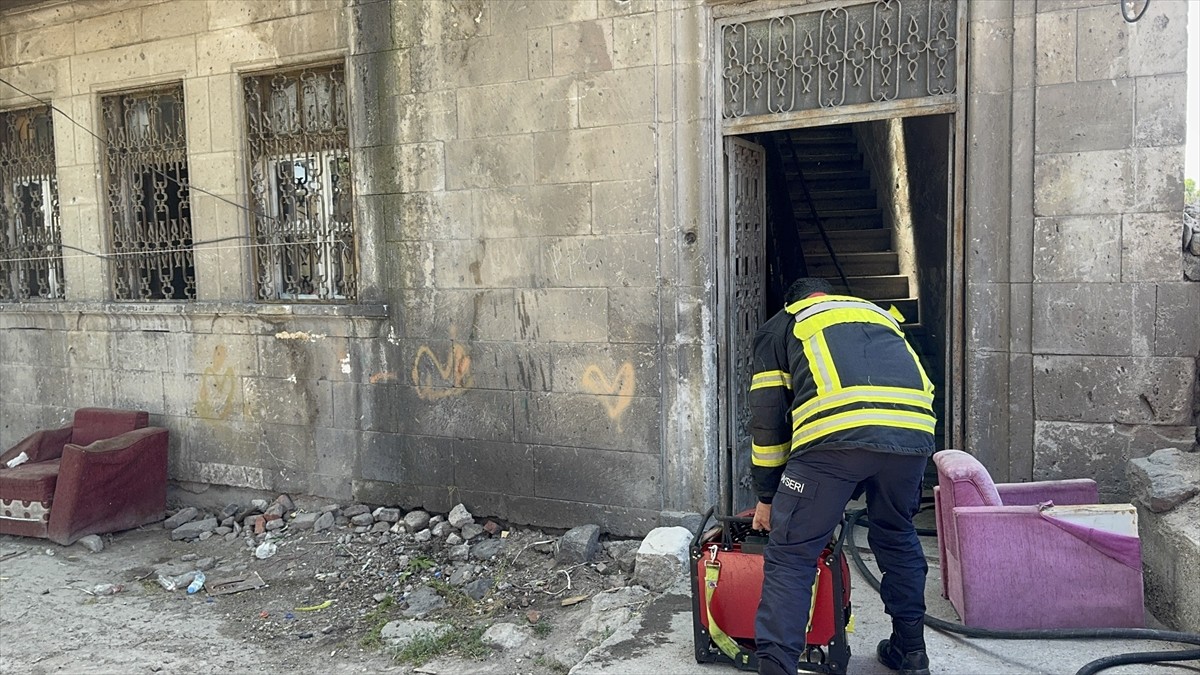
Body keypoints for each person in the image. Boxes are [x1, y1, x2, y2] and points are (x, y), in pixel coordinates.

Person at [748, 277, 936, 675]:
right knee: (898, 535)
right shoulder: (880, 315)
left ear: (790, 301)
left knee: (792, 555)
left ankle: (776, 668)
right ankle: (912, 653)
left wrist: (768, 497)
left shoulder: (787, 321)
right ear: (830, 295)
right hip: (912, 434)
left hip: (832, 443)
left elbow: (767, 419)